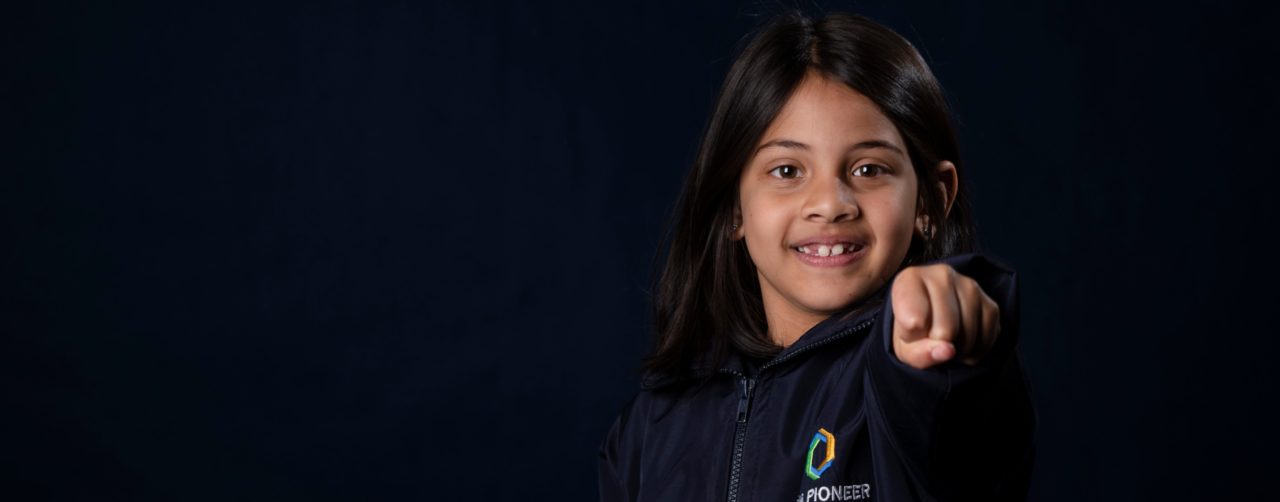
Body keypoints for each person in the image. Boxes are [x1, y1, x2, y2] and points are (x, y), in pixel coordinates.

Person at [597, 11, 1036, 502]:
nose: (829, 204)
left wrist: (945, 323)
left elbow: (957, 416)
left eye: (869, 169)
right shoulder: (650, 427)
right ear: (733, 208)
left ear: (930, 203)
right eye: (787, 170)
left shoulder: (921, 378)